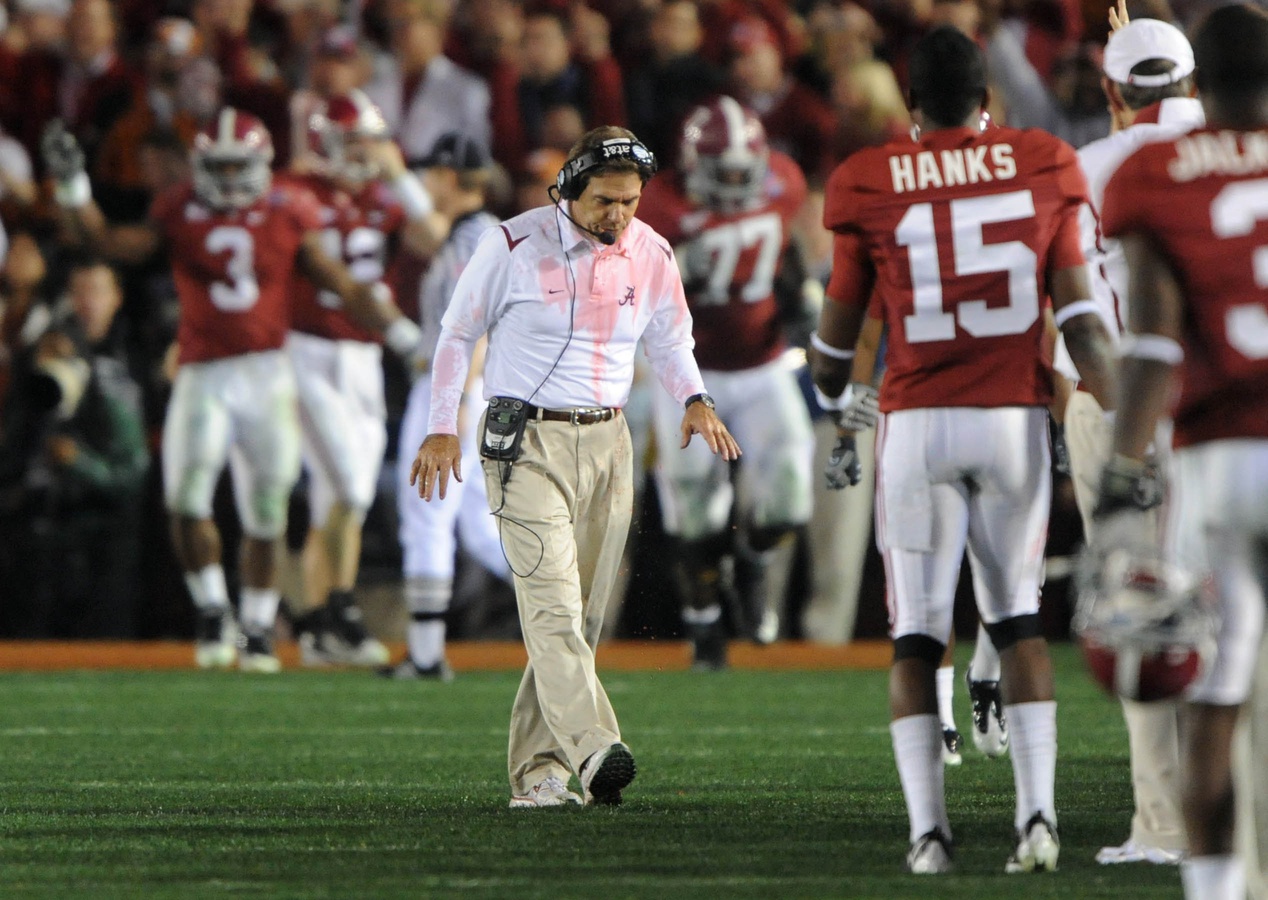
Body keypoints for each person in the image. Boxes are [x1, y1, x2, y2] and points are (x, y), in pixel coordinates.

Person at [811, 26, 1118, 874]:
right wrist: (1119, 411)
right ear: (988, 100)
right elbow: (1082, 318)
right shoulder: (1043, 161)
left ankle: (930, 838)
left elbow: (836, 347)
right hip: (1011, 417)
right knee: (1018, 619)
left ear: (911, 104)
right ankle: (1037, 820)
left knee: (915, 636)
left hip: (915, 421)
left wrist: (838, 400)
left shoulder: (869, 178)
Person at [410, 125, 740, 808]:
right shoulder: (510, 244)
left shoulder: (651, 251)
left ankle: (538, 774)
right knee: (554, 608)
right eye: (602, 201)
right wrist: (442, 426)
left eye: (629, 200)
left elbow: (671, 339)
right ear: (565, 189)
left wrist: (696, 398)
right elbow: (456, 332)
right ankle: (596, 750)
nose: (617, 215)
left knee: (578, 621)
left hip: (609, 442)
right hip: (524, 441)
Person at [44, 107, 423, 672]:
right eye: (215, 167)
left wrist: (402, 336)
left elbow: (343, 282)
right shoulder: (178, 209)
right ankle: (211, 610)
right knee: (186, 498)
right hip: (204, 371)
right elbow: (105, 244)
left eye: (234, 167)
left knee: (267, 509)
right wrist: (73, 188)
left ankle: (256, 626)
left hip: (268, 372)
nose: (224, 181)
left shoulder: (288, 209)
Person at [1096, 5, 1268, 897]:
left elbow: (1154, 342)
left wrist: (1123, 475)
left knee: (1216, 698)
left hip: (1216, 462)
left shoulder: (1153, 169)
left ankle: (1211, 889)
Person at [1057, 7, 1204, 868]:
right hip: (1227, 407)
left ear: (1111, 90)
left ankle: (1165, 825)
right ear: (1191, 84)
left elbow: (1071, 306)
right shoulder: (1248, 146)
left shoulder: (1087, 166)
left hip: (1117, 404)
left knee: (1139, 612)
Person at [638, 95, 813, 668]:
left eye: (745, 171)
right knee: (694, 506)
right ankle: (705, 625)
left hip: (762, 363)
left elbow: (788, 256)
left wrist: (801, 295)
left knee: (789, 497)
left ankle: (754, 560)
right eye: (725, 172)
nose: (738, 183)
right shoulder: (658, 206)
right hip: (689, 373)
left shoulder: (784, 182)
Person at [283, 89, 439, 668]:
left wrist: (401, 178)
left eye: (369, 141)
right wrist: (402, 332)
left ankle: (323, 624)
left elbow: (435, 238)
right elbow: (334, 277)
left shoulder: (382, 196)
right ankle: (333, 609)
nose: (362, 153)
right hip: (308, 348)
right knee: (347, 485)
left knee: (344, 498)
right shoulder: (298, 193)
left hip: (364, 359)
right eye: (351, 141)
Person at [385, 130, 510, 680]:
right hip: (465, 387)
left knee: (426, 514)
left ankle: (427, 653)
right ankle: (572, 609)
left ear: (453, 179)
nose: (425, 184)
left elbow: (476, 324)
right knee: (478, 525)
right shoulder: (468, 234)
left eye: (432, 174)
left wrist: (456, 401)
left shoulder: (472, 238)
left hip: (458, 389)